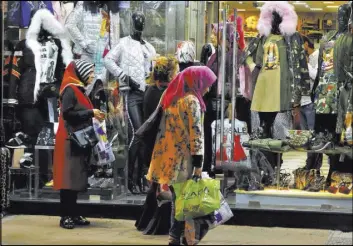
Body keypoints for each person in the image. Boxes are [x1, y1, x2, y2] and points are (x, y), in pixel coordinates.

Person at [146, 66, 217, 245]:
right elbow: (196, 133)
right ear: (197, 82)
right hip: (183, 160)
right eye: (207, 83)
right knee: (184, 202)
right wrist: (199, 163)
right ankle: (179, 238)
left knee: (179, 200)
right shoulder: (191, 101)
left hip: (168, 158)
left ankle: (179, 237)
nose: (208, 88)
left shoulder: (172, 98)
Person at [53, 59, 105, 229]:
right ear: (81, 73)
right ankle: (65, 215)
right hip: (69, 140)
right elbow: (67, 114)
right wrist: (90, 112)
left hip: (76, 140)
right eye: (89, 72)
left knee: (74, 179)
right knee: (68, 180)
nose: (92, 76)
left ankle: (73, 213)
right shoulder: (70, 90)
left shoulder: (77, 89)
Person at [135, 55, 179, 235]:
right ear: (169, 74)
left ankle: (145, 221)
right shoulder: (165, 94)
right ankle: (156, 225)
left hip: (151, 145)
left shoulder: (152, 90)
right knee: (161, 187)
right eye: (175, 71)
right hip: (159, 146)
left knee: (155, 186)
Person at [301, 35, 321, 172]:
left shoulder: (315, 58)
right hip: (301, 103)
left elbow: (316, 76)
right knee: (305, 138)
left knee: (314, 137)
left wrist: (305, 65)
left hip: (311, 103)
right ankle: (310, 164)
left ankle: (316, 167)